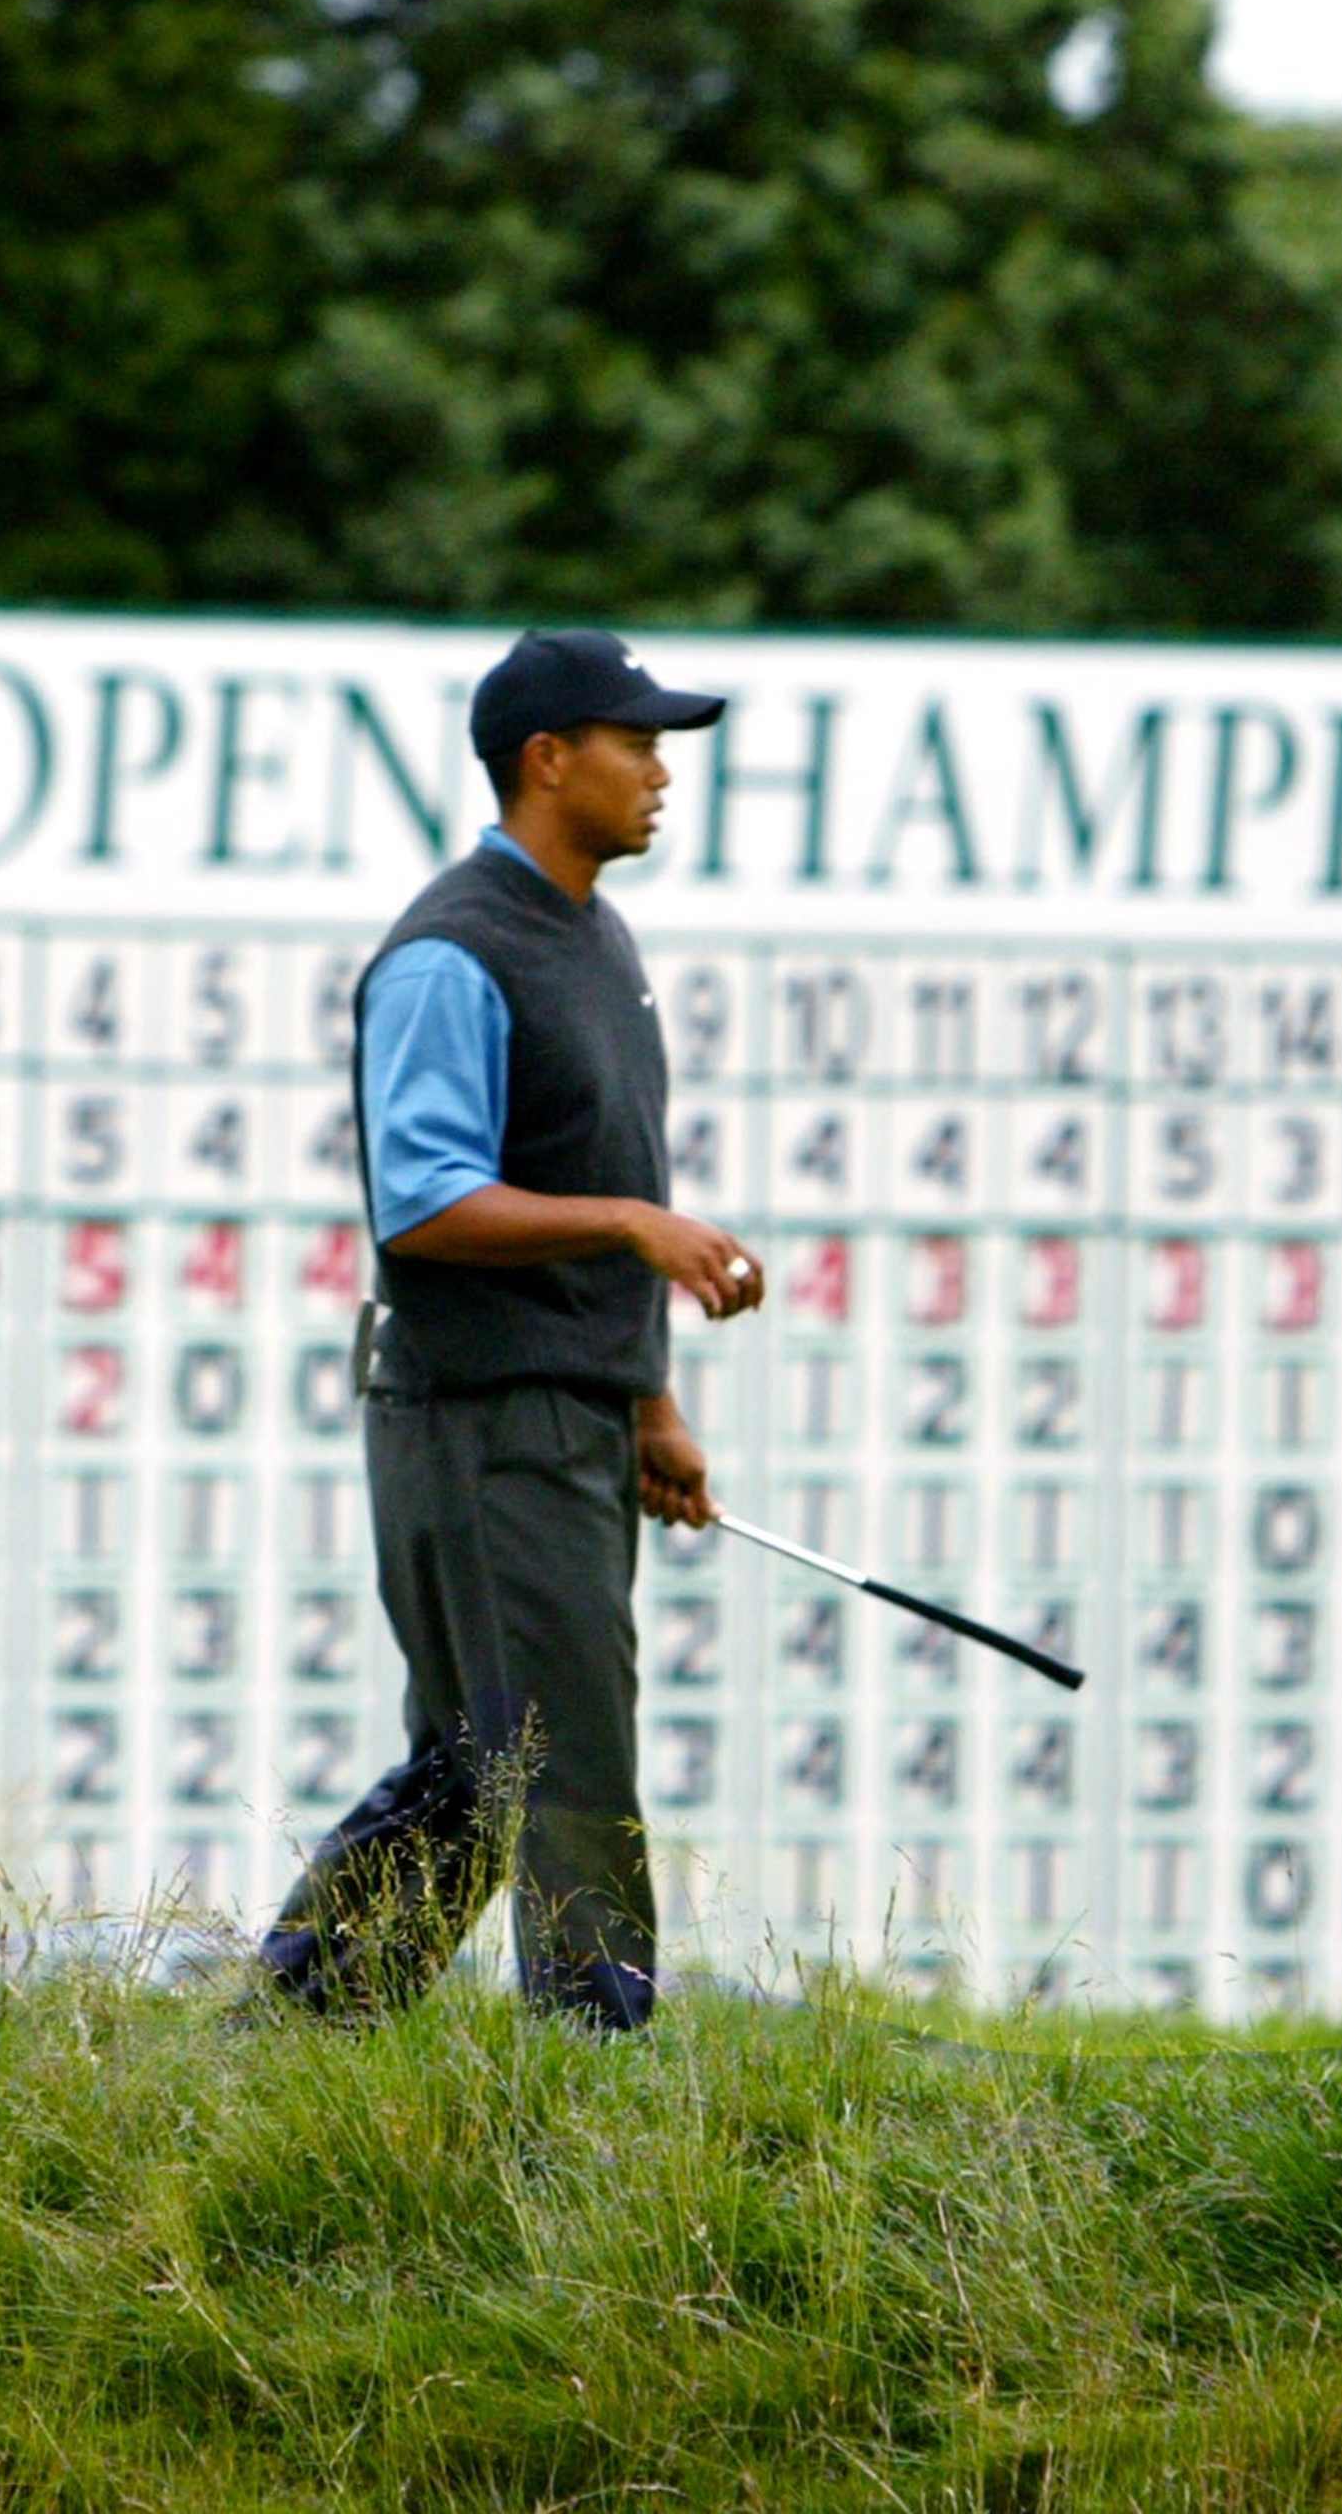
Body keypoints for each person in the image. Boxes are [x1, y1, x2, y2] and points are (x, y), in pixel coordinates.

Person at [251, 629, 764, 2031]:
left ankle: (281, 2040)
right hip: (482, 1420)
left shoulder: (594, 937)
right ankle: (598, 2086)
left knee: (485, 1772)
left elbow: (611, 1179)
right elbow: (422, 1207)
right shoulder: (450, 955)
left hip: (567, 1417)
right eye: (637, 742)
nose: (662, 772)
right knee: (563, 1767)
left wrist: (649, 1407)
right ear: (550, 760)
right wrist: (626, 1226)